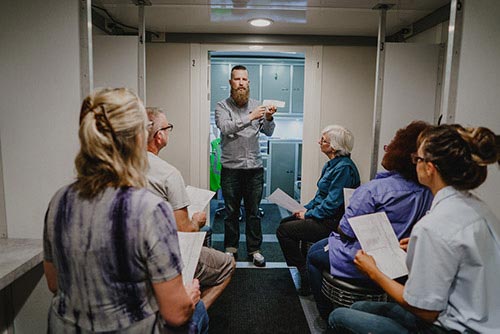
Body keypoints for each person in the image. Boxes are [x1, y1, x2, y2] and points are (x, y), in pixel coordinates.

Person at [43, 88, 208, 333]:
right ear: (138, 140)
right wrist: (190, 295)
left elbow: (55, 283)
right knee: (199, 314)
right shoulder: (149, 210)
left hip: (63, 327)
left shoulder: (60, 201)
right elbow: (175, 313)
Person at [329, 124, 500, 333]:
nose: (414, 164)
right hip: (478, 317)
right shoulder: (480, 209)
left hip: (450, 326)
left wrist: (373, 272)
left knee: (337, 316)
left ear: (430, 168)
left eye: (417, 159)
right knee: (359, 307)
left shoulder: (433, 227)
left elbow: (426, 311)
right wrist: (425, 248)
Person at [307, 121, 433, 320]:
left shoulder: (374, 190)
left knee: (314, 254)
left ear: (398, 153)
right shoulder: (428, 190)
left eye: (388, 146)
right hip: (401, 262)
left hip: (367, 259)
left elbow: (346, 231)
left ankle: (325, 316)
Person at [146, 107, 235, 309]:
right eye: (168, 127)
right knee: (227, 265)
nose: (169, 131)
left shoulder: (120, 169)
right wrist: (197, 220)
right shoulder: (168, 174)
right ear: (159, 136)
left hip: (135, 257)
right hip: (166, 253)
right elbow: (185, 231)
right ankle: (194, 313)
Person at [276, 125, 361, 295]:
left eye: (323, 140)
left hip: (331, 223)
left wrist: (308, 214)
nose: (319, 142)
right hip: (323, 217)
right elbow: (320, 197)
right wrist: (304, 209)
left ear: (334, 146)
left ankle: (304, 271)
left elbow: (331, 205)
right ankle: (303, 267)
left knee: (284, 231)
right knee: (286, 222)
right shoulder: (332, 165)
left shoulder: (344, 168)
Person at [215, 64, 277, 267]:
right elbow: (225, 128)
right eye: (237, 79)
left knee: (253, 212)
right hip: (231, 169)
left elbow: (268, 131)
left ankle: (255, 250)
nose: (241, 83)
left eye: (244, 80)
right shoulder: (222, 106)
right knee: (231, 213)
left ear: (249, 83)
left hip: (254, 169)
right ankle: (231, 249)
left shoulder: (258, 105)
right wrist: (250, 117)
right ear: (230, 83)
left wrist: (268, 118)